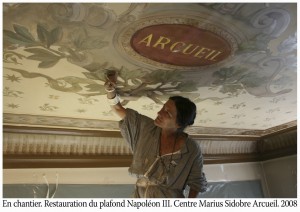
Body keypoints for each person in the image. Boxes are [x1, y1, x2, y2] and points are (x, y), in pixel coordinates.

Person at [105, 76, 207, 198]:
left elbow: (196, 183)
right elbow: (118, 109)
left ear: (179, 124)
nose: (159, 113)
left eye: (167, 113)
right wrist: (110, 92)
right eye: (163, 108)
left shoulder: (191, 149)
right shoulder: (147, 128)